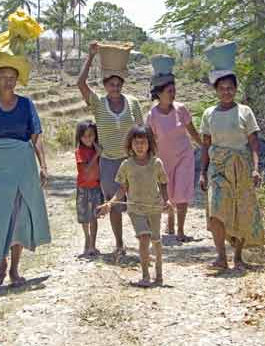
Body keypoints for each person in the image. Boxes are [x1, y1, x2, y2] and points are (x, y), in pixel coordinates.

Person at [0, 66, 51, 286]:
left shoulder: (26, 104)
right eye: (3, 78)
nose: (8, 82)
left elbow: (36, 136)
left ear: (17, 80)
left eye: (12, 78)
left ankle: (15, 270)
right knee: (1, 215)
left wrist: (43, 165)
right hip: (0, 165)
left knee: (20, 214)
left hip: (24, 163)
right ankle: (1, 265)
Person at [77, 42, 143, 258]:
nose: (115, 88)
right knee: (114, 206)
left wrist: (147, 158)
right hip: (108, 163)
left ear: (122, 84)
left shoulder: (133, 103)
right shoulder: (98, 103)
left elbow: (142, 132)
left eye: (118, 84)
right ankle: (119, 243)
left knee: (137, 202)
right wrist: (90, 56)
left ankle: (144, 240)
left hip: (132, 161)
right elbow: (81, 83)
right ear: (105, 85)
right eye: (111, 84)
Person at [199, 73, 265, 270]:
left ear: (235, 90)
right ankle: (221, 257)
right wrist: (203, 172)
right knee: (216, 210)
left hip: (241, 167)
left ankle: (238, 258)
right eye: (222, 88)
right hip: (217, 168)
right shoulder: (208, 113)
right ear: (216, 91)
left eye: (230, 88)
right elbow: (205, 145)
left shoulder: (245, 112)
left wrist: (255, 169)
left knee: (241, 211)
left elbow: (254, 143)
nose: (226, 92)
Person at [99, 125, 169, 287]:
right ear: (130, 145)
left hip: (154, 208)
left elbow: (163, 183)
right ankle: (145, 275)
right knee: (143, 238)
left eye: (143, 143)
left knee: (156, 241)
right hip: (135, 209)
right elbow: (122, 188)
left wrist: (167, 201)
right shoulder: (126, 165)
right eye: (136, 143)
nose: (139, 146)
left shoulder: (156, 163)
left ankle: (159, 275)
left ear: (150, 144)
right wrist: (110, 203)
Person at [147, 80, 202, 241]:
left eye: (173, 91)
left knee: (182, 193)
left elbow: (193, 132)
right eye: (169, 91)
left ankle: (180, 230)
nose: (172, 94)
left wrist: (205, 147)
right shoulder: (152, 115)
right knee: (168, 193)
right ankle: (170, 221)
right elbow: (150, 139)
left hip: (184, 156)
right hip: (164, 159)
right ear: (159, 94)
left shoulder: (181, 109)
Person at [75, 120, 103, 256]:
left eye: (91, 135)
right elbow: (85, 170)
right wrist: (97, 154)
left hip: (96, 187)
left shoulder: (96, 149)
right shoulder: (80, 151)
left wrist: (98, 153)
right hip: (83, 188)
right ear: (80, 137)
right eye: (85, 136)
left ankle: (92, 244)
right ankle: (87, 239)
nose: (88, 139)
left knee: (94, 217)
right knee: (84, 217)